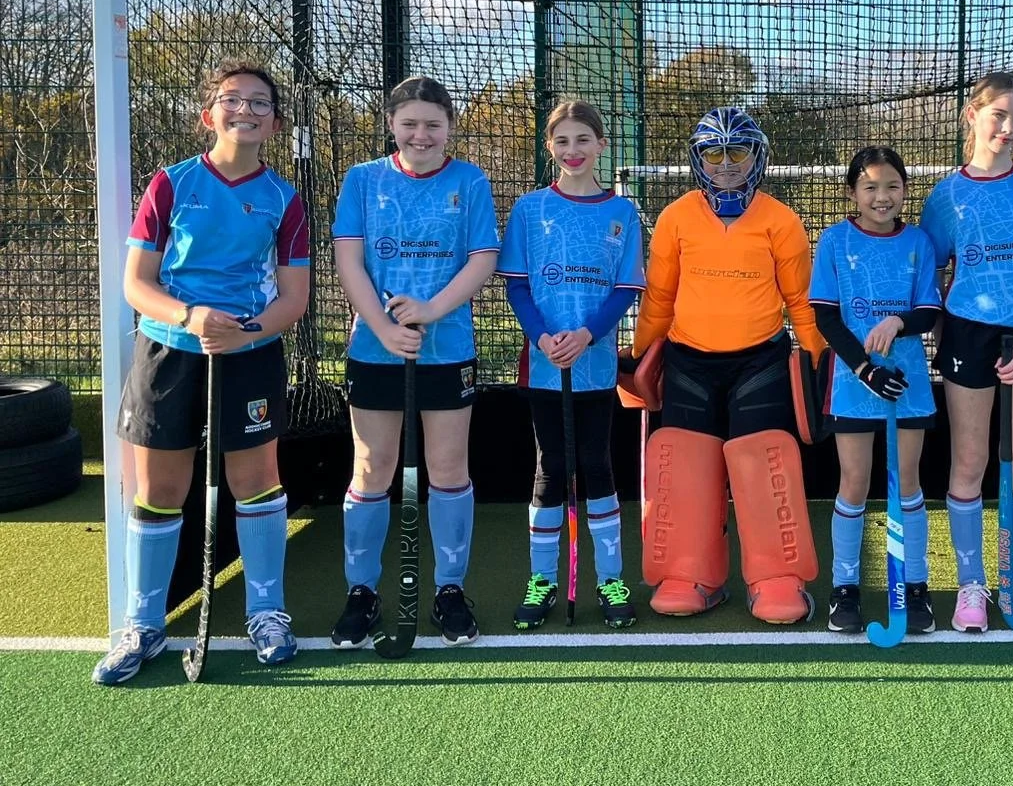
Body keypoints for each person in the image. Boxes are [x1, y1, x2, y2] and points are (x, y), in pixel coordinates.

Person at [94, 60, 310, 685]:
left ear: (275, 120)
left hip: (247, 356)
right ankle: (143, 624)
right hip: (169, 353)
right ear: (208, 114)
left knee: (257, 481)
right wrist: (192, 317)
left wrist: (241, 331)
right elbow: (138, 284)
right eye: (232, 100)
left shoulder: (283, 200)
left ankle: (268, 613)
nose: (245, 110)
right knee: (160, 491)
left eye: (259, 102)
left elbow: (292, 299)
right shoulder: (170, 184)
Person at [632, 107, 827, 624]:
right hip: (687, 362)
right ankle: (688, 575)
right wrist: (636, 361)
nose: (725, 164)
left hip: (759, 362)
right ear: (697, 159)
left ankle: (776, 580)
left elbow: (802, 302)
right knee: (686, 464)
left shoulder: (781, 220)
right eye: (712, 153)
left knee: (765, 464)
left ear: (757, 157)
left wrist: (818, 362)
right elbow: (658, 299)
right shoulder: (674, 217)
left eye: (737, 152)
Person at [329, 76, 499, 648]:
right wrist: (383, 327)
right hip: (375, 350)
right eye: (410, 124)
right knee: (372, 469)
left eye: (433, 124)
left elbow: (482, 259)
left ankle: (450, 590)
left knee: (448, 470)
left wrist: (428, 311)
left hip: (447, 347)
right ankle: (362, 592)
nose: (421, 134)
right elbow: (348, 261)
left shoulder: (470, 180)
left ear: (449, 128)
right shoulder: (362, 180)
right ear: (392, 126)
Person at [920, 73, 1013, 633]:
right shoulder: (947, 193)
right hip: (969, 338)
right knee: (969, 461)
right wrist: (937, 331)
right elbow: (930, 272)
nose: (1009, 129)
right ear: (972, 116)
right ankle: (971, 588)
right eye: (999, 116)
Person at [499, 100, 644, 629]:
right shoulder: (530, 209)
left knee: (598, 464)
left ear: (602, 145)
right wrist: (542, 338)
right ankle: (542, 580)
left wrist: (586, 335)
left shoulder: (621, 213)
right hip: (544, 364)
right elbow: (516, 284)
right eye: (562, 141)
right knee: (551, 468)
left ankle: (610, 579)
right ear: (550, 148)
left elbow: (626, 289)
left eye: (583, 139)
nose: (573, 150)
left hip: (596, 362)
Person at [809, 146, 942, 635]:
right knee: (855, 483)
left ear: (904, 190)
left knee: (907, 483)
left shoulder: (919, 243)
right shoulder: (835, 242)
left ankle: (915, 584)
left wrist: (898, 320)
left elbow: (929, 311)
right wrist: (864, 368)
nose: (881, 197)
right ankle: (844, 589)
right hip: (854, 382)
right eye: (870, 187)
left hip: (906, 384)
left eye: (891, 186)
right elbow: (825, 315)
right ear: (853, 193)